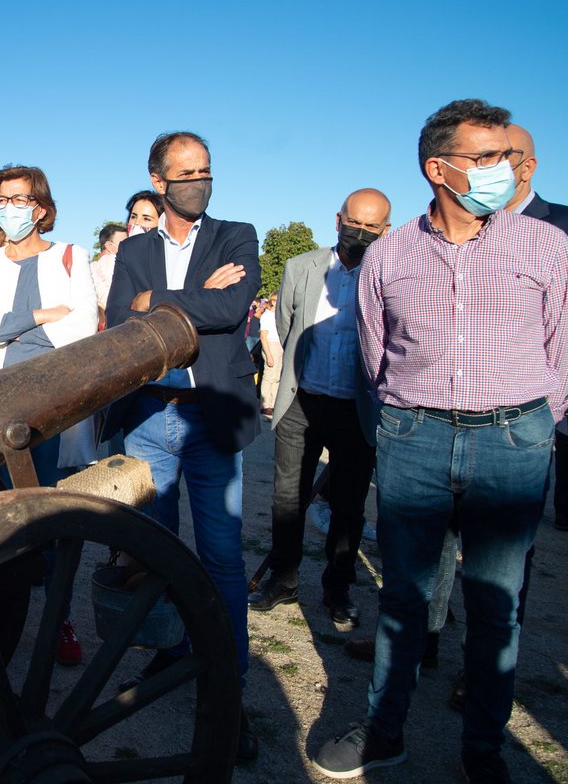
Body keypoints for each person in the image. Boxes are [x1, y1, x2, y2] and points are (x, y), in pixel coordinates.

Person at [313, 99, 568, 783]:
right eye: (486, 158)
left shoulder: (546, 246)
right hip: (415, 441)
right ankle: (384, 731)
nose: (502, 170)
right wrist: (403, 424)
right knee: (403, 597)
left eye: (505, 157)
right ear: (438, 168)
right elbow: (377, 359)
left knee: (495, 607)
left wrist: (533, 426)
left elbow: (562, 351)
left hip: (512, 445)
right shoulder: (390, 255)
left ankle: (483, 750)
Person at [104, 131, 260, 762]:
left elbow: (230, 307)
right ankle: (170, 657)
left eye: (207, 171)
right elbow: (119, 320)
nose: (200, 181)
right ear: (159, 181)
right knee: (157, 552)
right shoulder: (135, 248)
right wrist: (170, 302)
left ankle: (230, 689)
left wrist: (157, 302)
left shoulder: (236, 236)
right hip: (148, 415)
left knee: (222, 559)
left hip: (210, 418)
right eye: (186, 173)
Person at [0, 164, 99, 666]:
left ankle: (57, 618)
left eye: (20, 199)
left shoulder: (70, 256)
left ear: (40, 207)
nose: (10, 208)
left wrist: (6, 325)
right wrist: (41, 316)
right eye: (3, 198)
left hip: (53, 409)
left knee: (50, 519)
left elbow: (82, 325)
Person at [249, 189, 391, 629]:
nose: (360, 232)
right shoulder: (301, 267)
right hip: (302, 403)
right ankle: (285, 577)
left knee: (348, 505)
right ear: (338, 219)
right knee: (287, 497)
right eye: (354, 222)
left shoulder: (389, 271)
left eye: (372, 227)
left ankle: (338, 588)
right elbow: (290, 328)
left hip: (356, 409)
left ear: (385, 230)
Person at [507, 124, 568, 531]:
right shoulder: (457, 228)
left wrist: (550, 407)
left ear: (526, 167)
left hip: (534, 404)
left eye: (499, 156)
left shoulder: (560, 226)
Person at [90, 223, 126, 313]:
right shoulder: (114, 261)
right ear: (109, 246)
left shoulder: (91, 267)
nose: (128, 246)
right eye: (124, 243)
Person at [258, 293, 282, 416]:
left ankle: (273, 403)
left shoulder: (279, 316)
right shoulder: (267, 316)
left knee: (277, 377)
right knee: (269, 377)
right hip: (271, 345)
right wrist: (268, 355)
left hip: (279, 345)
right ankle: (266, 404)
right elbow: (263, 336)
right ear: (272, 301)